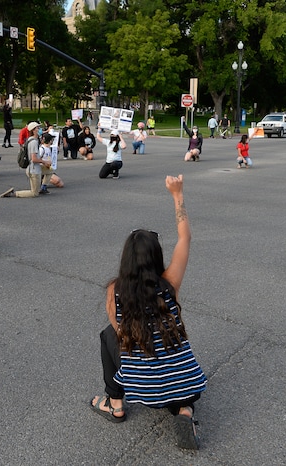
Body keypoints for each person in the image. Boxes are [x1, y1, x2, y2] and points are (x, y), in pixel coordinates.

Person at [90, 175, 206, 450]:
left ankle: (115, 403)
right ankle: (185, 411)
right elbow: (185, 237)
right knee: (174, 364)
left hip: (142, 390)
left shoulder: (114, 290)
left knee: (108, 335)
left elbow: (121, 335)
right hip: (188, 383)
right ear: (157, 256)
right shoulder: (170, 284)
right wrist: (177, 195)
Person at [0, 122, 50, 198]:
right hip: (34, 170)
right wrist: (44, 162)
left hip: (35, 168)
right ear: (33, 130)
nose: (40, 130)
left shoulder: (31, 139)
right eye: (38, 128)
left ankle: (43, 187)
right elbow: (34, 159)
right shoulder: (33, 142)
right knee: (34, 193)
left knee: (51, 171)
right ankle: (14, 194)